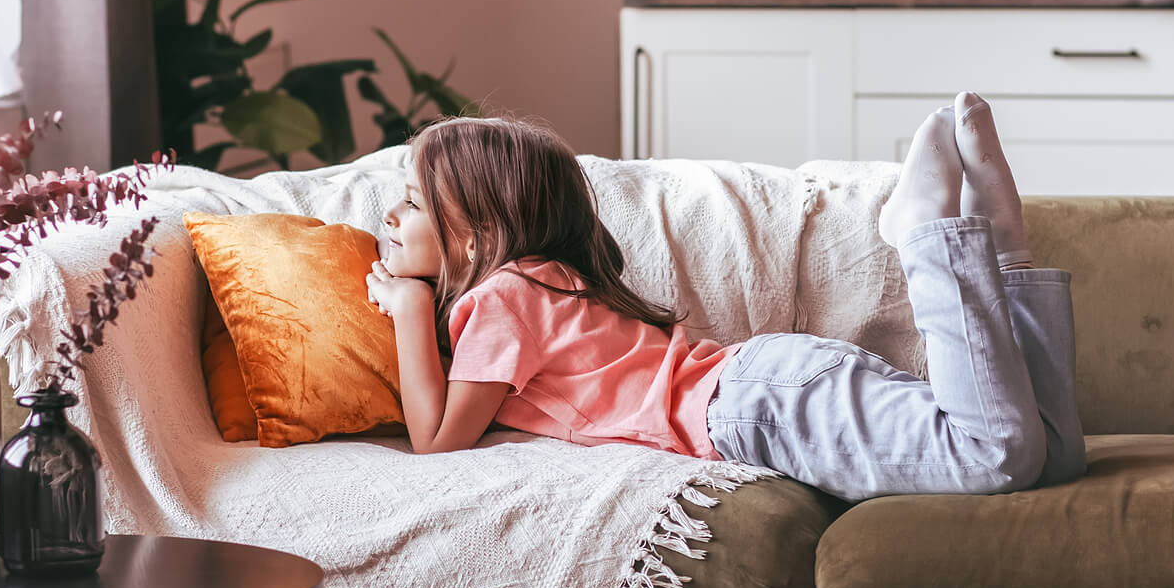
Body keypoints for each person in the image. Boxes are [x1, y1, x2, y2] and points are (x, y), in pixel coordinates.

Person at [364, 93, 1087, 502]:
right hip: (771, 382)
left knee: (992, 453)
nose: (389, 217)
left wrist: (406, 309)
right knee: (1050, 456)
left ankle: (932, 238)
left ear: (478, 233)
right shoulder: (545, 283)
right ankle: (1002, 250)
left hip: (755, 405)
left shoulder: (504, 295)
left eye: (411, 202)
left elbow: (438, 440)